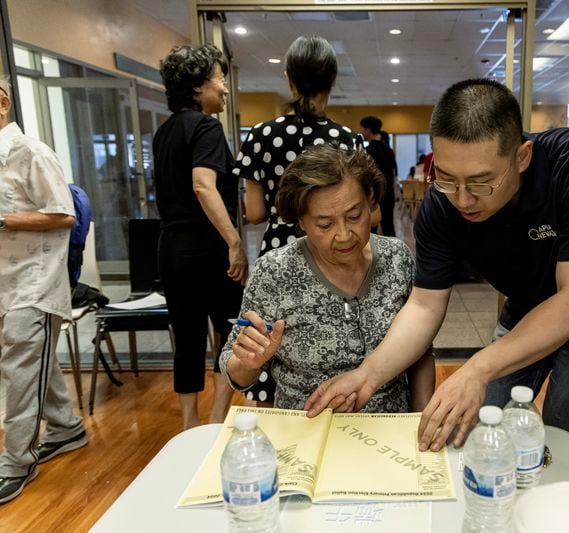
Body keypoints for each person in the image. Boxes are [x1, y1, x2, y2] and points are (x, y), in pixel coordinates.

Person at [306, 79, 569, 459]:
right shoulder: (442, 208)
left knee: (563, 437)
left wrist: (476, 368)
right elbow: (424, 306)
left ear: (522, 156)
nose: (462, 199)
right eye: (447, 178)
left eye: (481, 182)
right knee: (482, 423)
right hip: (525, 305)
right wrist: (369, 373)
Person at [220, 144, 434, 411]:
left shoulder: (396, 258)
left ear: (370, 202)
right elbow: (234, 369)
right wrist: (248, 362)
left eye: (354, 216)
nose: (344, 235)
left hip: (388, 428)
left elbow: (420, 351)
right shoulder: (274, 272)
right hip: (306, 430)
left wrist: (418, 422)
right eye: (325, 224)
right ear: (302, 222)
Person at [0, 78, 87, 504]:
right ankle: (66, 427)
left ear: (1, 103)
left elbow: (63, 213)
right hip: (5, 280)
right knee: (31, 362)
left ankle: (16, 461)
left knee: (19, 371)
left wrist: (4, 220)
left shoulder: (29, 152)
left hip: (34, 281)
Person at [154, 44, 246, 430]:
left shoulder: (164, 131)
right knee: (231, 330)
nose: (224, 88)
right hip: (205, 248)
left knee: (188, 336)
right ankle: (216, 420)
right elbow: (203, 186)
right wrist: (234, 242)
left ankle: (190, 424)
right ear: (197, 86)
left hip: (171, 248)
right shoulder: (207, 127)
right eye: (219, 79)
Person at [236, 35, 354, 256]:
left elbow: (254, 214)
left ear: (289, 79)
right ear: (333, 80)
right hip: (331, 249)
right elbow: (369, 212)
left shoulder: (261, 135)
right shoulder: (346, 139)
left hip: (278, 251)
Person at [360, 116, 396, 236]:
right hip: (389, 194)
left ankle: (373, 255)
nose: (362, 132)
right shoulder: (389, 150)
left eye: (363, 129)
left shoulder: (367, 151)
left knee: (372, 231)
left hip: (374, 196)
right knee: (389, 228)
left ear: (368, 131)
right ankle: (393, 254)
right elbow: (393, 172)